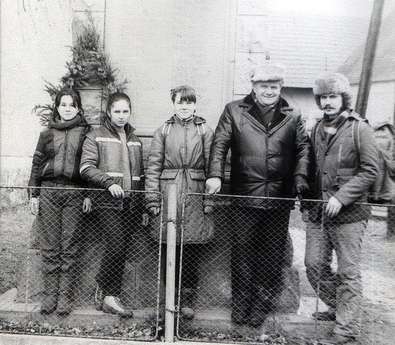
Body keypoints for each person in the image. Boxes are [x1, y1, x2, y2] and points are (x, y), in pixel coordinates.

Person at [205, 63, 312, 327]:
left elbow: (303, 150)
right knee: (242, 252)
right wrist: (215, 174)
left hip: (279, 196)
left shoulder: (293, 114)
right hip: (244, 193)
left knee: (271, 254)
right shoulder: (234, 110)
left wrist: (300, 178)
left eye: (274, 87)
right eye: (264, 86)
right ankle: (241, 303)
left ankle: (261, 304)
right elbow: (220, 143)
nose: (269, 91)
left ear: (280, 88)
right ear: (253, 87)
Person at [304, 73, 379, 344]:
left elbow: (371, 170)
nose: (327, 102)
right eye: (323, 97)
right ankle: (337, 307)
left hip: (350, 214)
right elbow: (313, 170)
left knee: (348, 271)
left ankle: (346, 330)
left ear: (343, 99)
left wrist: (341, 197)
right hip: (319, 213)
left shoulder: (360, 128)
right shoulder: (315, 129)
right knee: (313, 264)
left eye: (332, 96)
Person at [145, 86, 214, 320]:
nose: (184, 107)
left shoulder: (205, 130)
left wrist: (209, 201)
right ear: (173, 104)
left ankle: (186, 301)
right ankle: (168, 301)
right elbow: (153, 167)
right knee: (167, 248)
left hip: (195, 193)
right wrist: (152, 198)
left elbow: (213, 167)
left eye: (189, 102)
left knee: (191, 250)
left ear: (195, 105)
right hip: (168, 193)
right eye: (179, 102)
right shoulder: (163, 131)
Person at [79, 92, 145, 317]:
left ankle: (110, 296)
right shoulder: (95, 135)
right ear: (109, 112)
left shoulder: (134, 139)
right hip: (107, 202)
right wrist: (108, 183)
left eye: (125, 111)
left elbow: (140, 175)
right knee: (115, 245)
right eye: (117, 111)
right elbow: (86, 167)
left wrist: (144, 205)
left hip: (131, 204)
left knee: (122, 249)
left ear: (130, 112)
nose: (121, 115)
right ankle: (106, 290)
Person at [28, 88, 91, 316]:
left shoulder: (85, 133)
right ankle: (49, 296)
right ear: (57, 107)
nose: (67, 109)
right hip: (49, 192)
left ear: (78, 109)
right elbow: (36, 165)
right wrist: (34, 194)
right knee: (50, 245)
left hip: (74, 192)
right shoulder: (46, 134)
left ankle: (64, 297)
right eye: (63, 105)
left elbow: (90, 165)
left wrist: (87, 194)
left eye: (71, 105)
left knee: (69, 246)